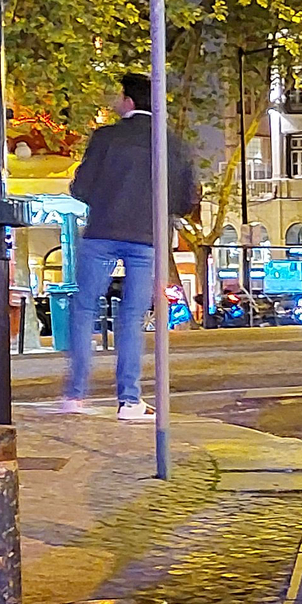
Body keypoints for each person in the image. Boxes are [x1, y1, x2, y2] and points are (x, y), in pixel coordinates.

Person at [64, 74, 199, 418]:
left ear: (129, 101)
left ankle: (76, 395)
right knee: (132, 317)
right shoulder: (173, 143)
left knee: (84, 310)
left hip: (102, 232)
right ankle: (128, 400)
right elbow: (185, 199)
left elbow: (81, 189)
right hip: (147, 237)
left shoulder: (106, 137)